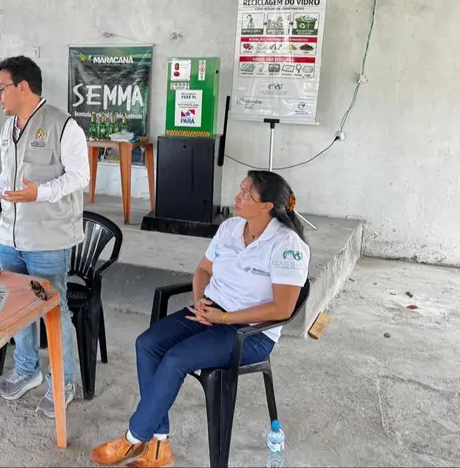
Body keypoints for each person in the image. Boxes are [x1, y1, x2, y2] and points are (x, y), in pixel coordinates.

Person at [91, 170, 310, 467]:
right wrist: (200, 303)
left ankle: (133, 439)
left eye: (247, 193)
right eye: (240, 188)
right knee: (148, 343)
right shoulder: (231, 227)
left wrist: (225, 317)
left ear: (266, 206)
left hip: (249, 333)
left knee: (175, 358)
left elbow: (282, 309)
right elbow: (203, 271)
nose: (238, 196)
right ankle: (160, 443)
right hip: (212, 311)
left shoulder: (287, 245)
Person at [0, 55, 89, 418]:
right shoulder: (9, 128)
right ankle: (26, 369)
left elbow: (81, 176)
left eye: (1, 88)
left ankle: (62, 382)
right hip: (10, 236)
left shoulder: (64, 126)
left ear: (22, 87)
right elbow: (8, 176)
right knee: (16, 307)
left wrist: (41, 193)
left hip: (48, 238)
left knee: (54, 309)